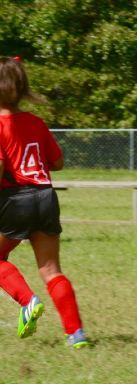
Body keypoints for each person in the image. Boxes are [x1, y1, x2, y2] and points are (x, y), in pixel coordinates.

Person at [0, 56, 89, 348]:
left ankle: (28, 302)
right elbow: (58, 161)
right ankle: (76, 334)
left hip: (15, 199)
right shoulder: (36, 122)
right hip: (45, 196)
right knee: (51, 270)